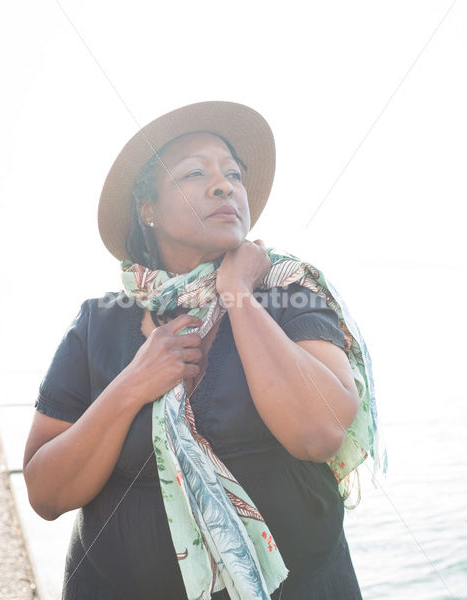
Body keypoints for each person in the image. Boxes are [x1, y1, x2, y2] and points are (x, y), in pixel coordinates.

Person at [23, 101, 387, 600]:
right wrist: (132, 385)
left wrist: (238, 295)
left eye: (233, 173)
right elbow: (45, 493)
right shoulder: (100, 322)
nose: (224, 185)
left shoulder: (289, 294)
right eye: (194, 173)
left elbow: (319, 433)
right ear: (146, 209)